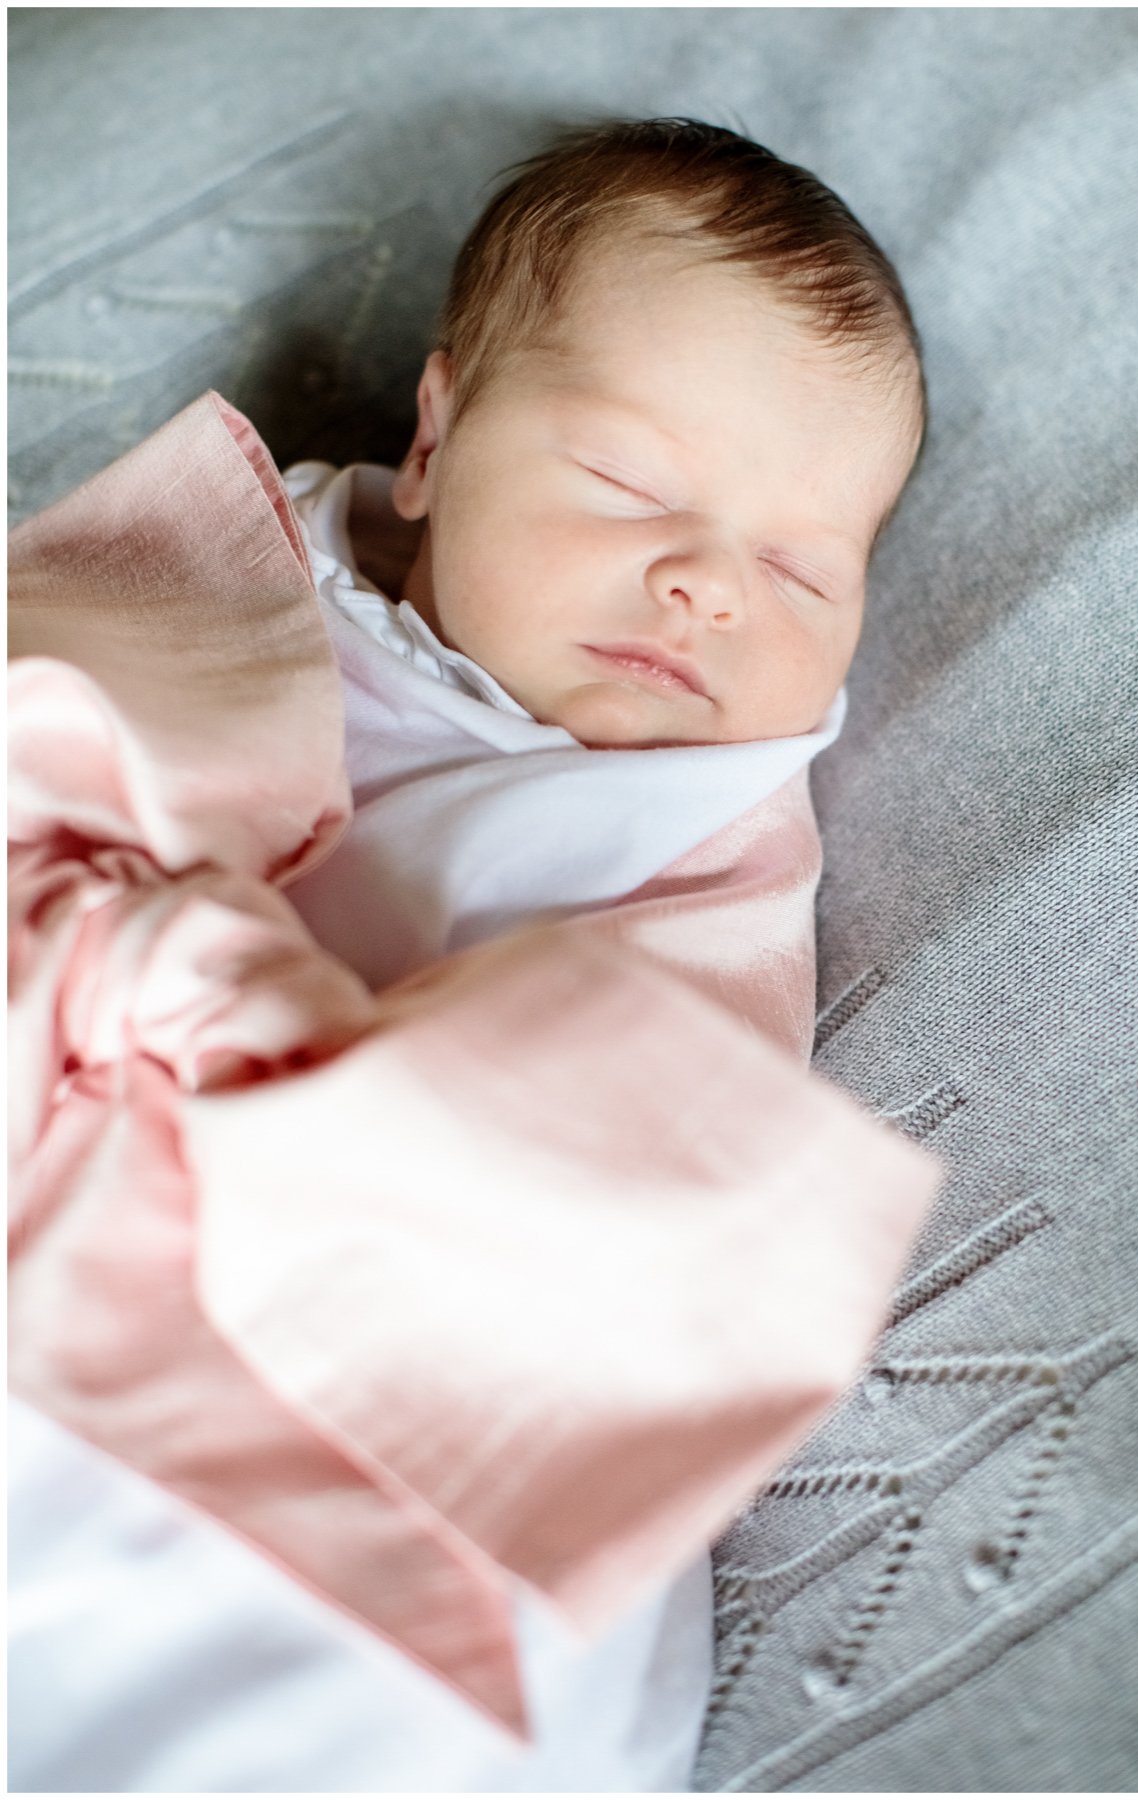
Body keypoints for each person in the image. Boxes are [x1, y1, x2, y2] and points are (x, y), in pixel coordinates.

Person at [10, 119, 932, 1788]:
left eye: (804, 566)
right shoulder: (220, 572)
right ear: (433, 439)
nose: (708, 584)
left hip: (384, 1317)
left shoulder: (693, 846)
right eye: (631, 486)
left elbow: (640, 1191)